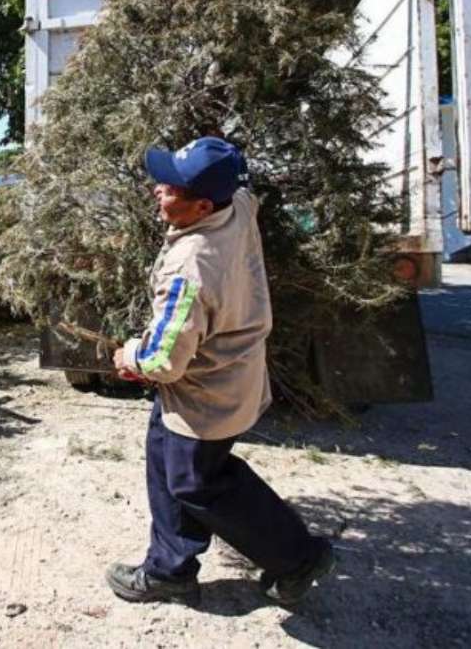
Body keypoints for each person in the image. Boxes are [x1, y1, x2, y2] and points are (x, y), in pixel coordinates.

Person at [106, 136, 335, 606]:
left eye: (170, 189)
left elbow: (163, 363)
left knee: (200, 483)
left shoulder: (189, 269)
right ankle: (170, 567)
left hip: (206, 394)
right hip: (215, 380)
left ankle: (298, 557)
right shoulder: (239, 207)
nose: (158, 191)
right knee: (164, 461)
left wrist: (129, 357)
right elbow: (246, 184)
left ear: (202, 205)